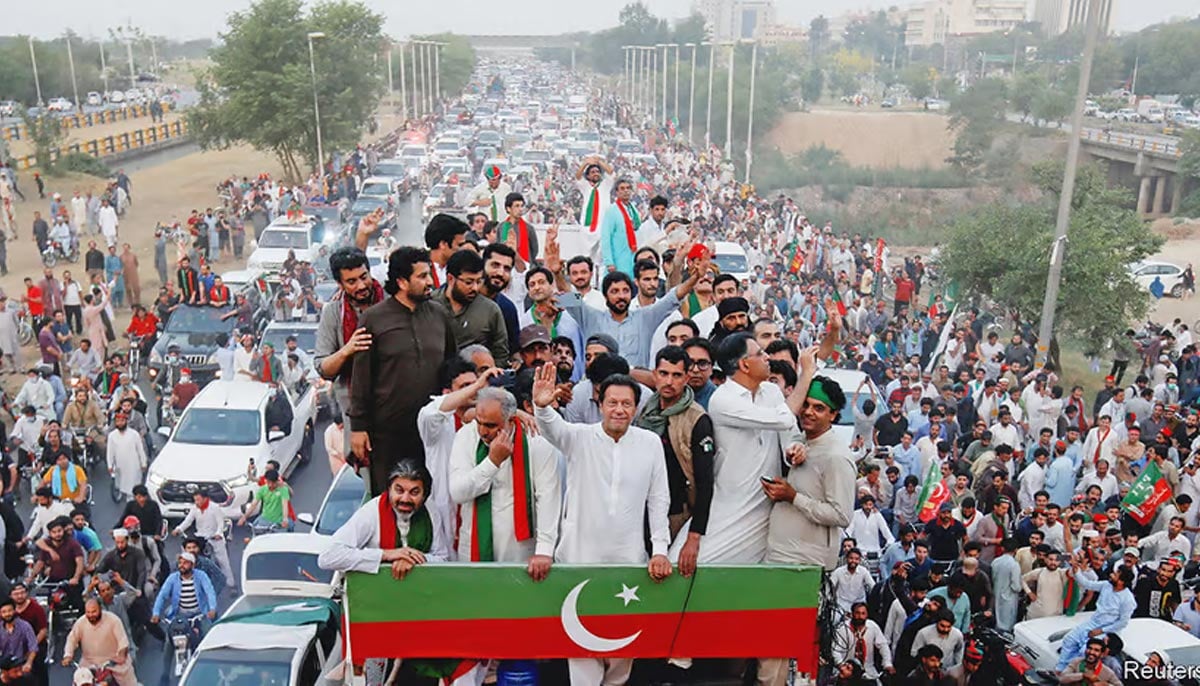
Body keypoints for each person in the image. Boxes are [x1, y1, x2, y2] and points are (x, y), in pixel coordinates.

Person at [530, 364, 671, 686]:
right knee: (582, 650)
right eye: (612, 403)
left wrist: (659, 550)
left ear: (636, 407)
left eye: (626, 404)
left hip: (629, 562)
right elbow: (552, 427)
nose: (619, 410)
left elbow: (659, 500)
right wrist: (541, 405)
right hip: (580, 560)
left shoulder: (649, 443)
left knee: (621, 649)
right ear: (600, 404)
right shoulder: (579, 437)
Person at [349, 246, 458, 496]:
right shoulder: (374, 319)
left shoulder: (439, 315)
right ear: (401, 282)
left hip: (431, 432)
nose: (430, 281)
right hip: (387, 433)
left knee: (433, 498)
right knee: (388, 500)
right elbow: (361, 376)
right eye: (422, 276)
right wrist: (358, 427)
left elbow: (452, 366)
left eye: (429, 274)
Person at [448, 386, 560, 572]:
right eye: (479, 422)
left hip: (523, 550)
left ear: (511, 419)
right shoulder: (465, 436)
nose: (483, 431)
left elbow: (548, 497)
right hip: (474, 546)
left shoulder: (536, 440)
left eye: (491, 425)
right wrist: (492, 462)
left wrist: (544, 550)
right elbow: (458, 493)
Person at [635, 346, 716, 571]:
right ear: (654, 375)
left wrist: (693, 538)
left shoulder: (697, 419)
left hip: (676, 514)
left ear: (687, 377)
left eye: (677, 375)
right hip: (640, 508)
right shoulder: (646, 412)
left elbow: (705, 482)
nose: (669, 381)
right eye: (664, 374)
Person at [433, 249, 510, 367]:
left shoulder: (490, 310)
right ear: (450, 279)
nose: (475, 288)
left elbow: (501, 353)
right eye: (469, 282)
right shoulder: (429, 305)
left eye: (479, 281)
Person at [1055, 562, 1135, 671]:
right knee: (1069, 639)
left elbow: (1122, 623)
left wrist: (1101, 631)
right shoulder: (1106, 585)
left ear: (1121, 582)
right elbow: (1088, 584)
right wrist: (1076, 571)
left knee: (1085, 651)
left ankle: (1074, 673)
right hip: (1093, 623)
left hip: (1107, 631)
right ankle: (1060, 669)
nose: (1111, 575)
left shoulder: (1128, 599)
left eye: (1115, 575)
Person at [150, 552, 217, 654]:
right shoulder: (173, 578)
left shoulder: (201, 576)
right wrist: (156, 613)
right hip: (180, 615)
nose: (181, 565)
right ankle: (165, 670)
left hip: (200, 614)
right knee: (169, 643)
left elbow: (210, 592)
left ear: (192, 565)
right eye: (180, 563)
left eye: (185, 563)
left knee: (209, 639)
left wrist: (212, 609)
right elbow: (162, 596)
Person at [171, 492, 234, 594]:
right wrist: (178, 529)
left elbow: (220, 523)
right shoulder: (195, 508)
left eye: (198, 500)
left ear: (205, 499)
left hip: (214, 537)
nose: (196, 502)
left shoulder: (215, 508)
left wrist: (218, 533)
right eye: (195, 500)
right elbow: (188, 521)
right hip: (200, 536)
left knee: (223, 560)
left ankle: (231, 583)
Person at [831, 602, 894, 683]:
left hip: (868, 671)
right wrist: (842, 666)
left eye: (863, 613)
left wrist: (887, 664)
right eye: (857, 613)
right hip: (847, 670)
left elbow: (883, 645)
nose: (860, 616)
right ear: (852, 614)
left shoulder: (872, 626)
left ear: (867, 615)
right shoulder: (842, 628)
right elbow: (835, 650)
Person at [600, 178, 640, 276]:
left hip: (632, 257)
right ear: (616, 192)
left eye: (628, 188)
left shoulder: (633, 209)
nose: (626, 191)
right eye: (622, 188)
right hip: (618, 259)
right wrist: (609, 262)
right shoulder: (612, 211)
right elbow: (606, 237)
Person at [105, 413, 146, 502]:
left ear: (126, 421)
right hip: (120, 465)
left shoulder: (134, 434)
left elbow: (140, 450)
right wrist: (110, 465)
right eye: (118, 421)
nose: (120, 423)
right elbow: (110, 452)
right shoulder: (112, 436)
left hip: (134, 465)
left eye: (122, 421)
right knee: (121, 483)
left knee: (133, 486)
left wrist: (143, 463)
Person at [0, 599, 36, 678]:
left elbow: (33, 647)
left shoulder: (25, 626)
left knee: (27, 677)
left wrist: (29, 663)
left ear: (14, 611)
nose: (7, 614)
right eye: (4, 612)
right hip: (3, 664)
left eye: (9, 611)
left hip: (21, 662)